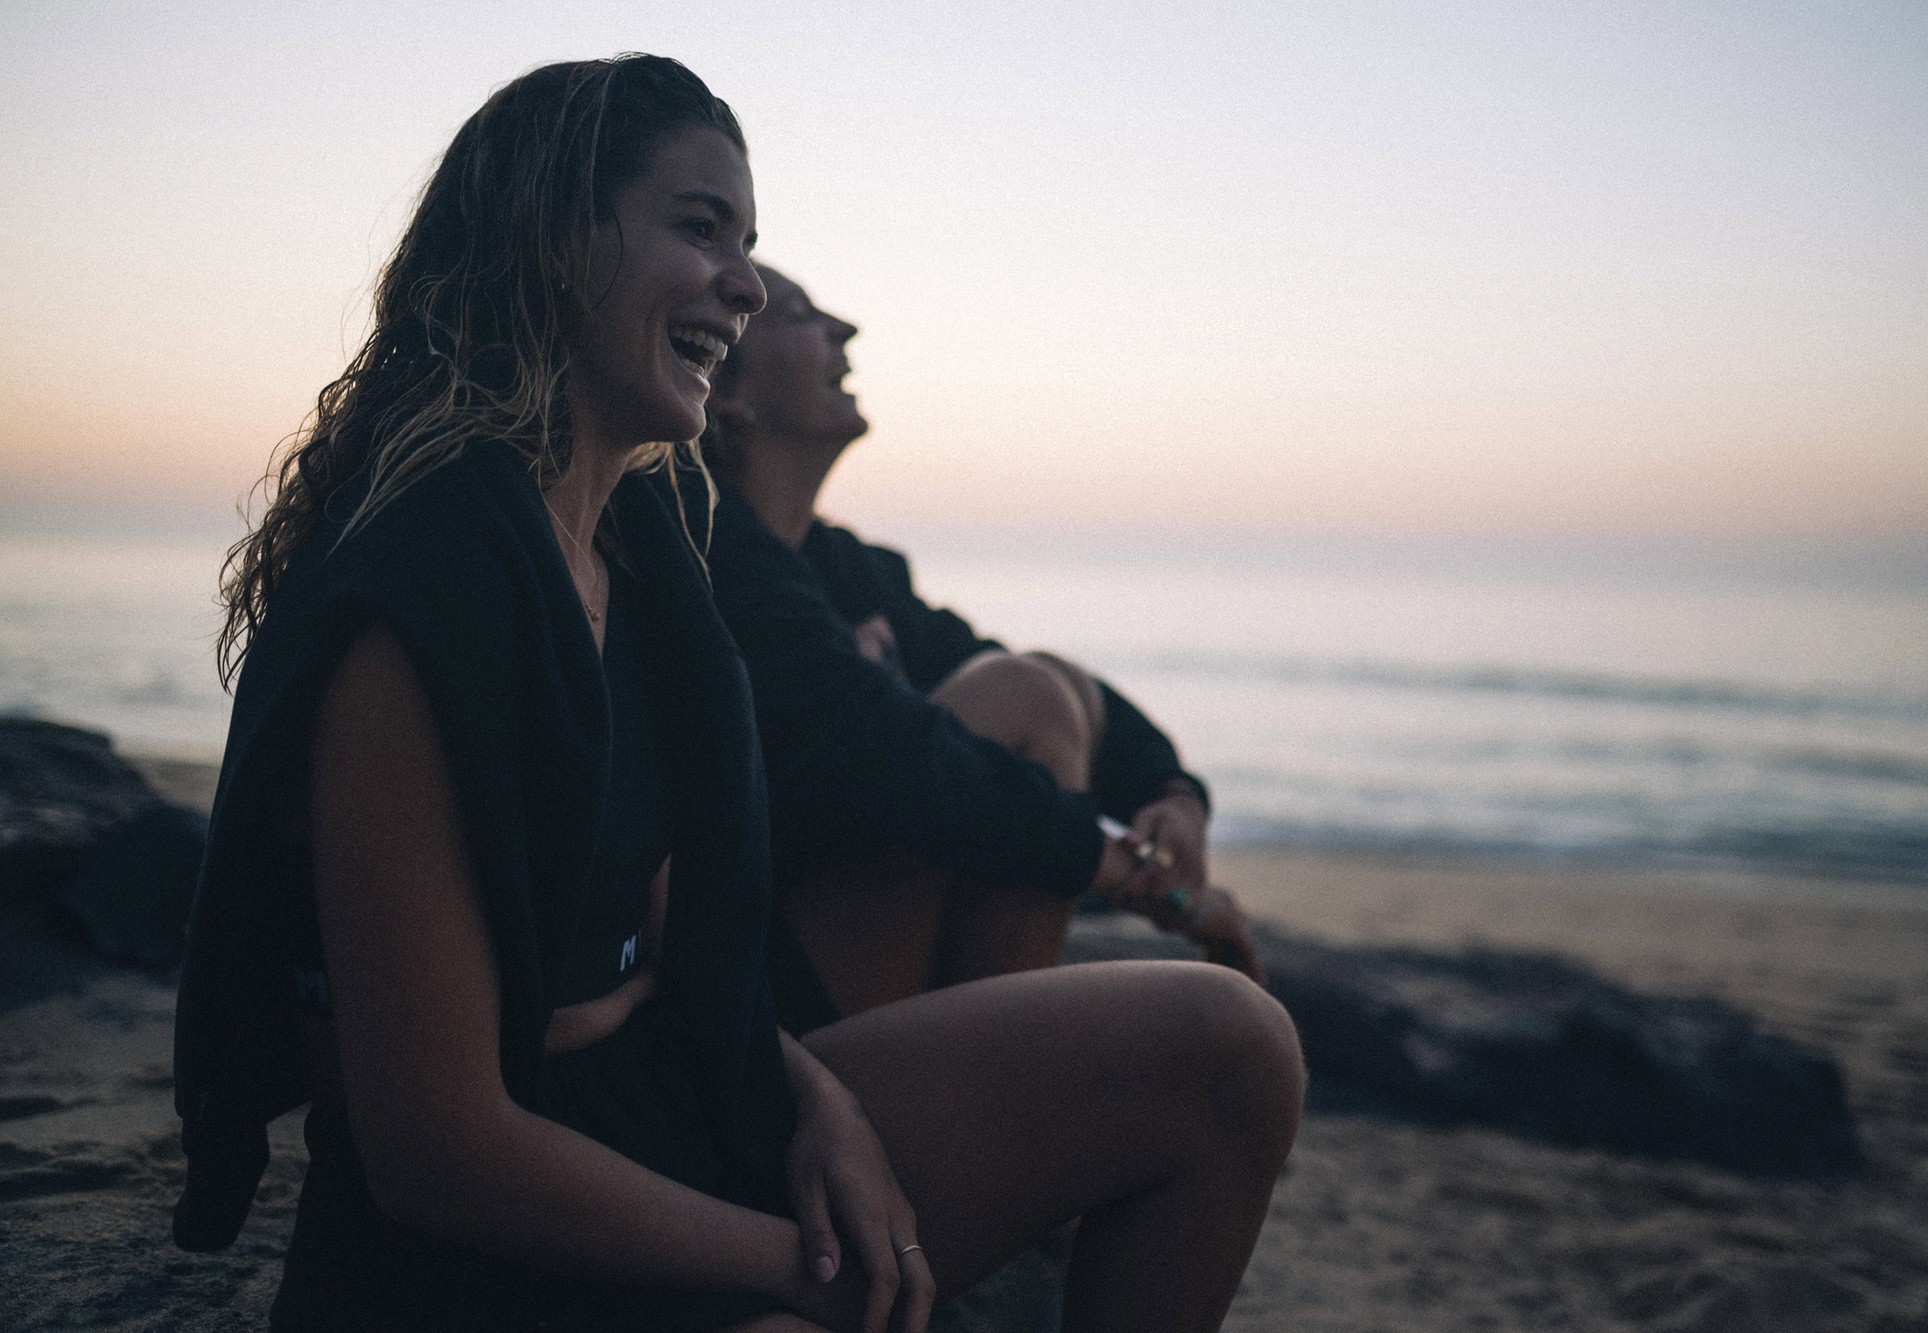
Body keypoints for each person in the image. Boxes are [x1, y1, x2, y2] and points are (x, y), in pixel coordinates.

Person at [174, 54, 1302, 1333]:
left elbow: (680, 959)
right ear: (554, 242)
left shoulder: (645, 556)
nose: (747, 284)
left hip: (684, 1085)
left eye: (748, 245)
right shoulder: (425, 596)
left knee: (1233, 1044)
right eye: (701, 228)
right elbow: (436, 1150)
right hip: (491, 1229)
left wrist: (825, 1107)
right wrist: (787, 1267)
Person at [700, 265, 1262, 1032]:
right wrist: (1147, 882)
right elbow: (892, 757)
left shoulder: (848, 569)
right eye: (799, 314)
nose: (844, 329)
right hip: (765, 990)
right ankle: (990, 1053)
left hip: (852, 958)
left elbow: (1055, 685)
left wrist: (1171, 795)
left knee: (1040, 681)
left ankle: (991, 1046)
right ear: (727, 392)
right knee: (1019, 695)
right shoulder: (712, 552)